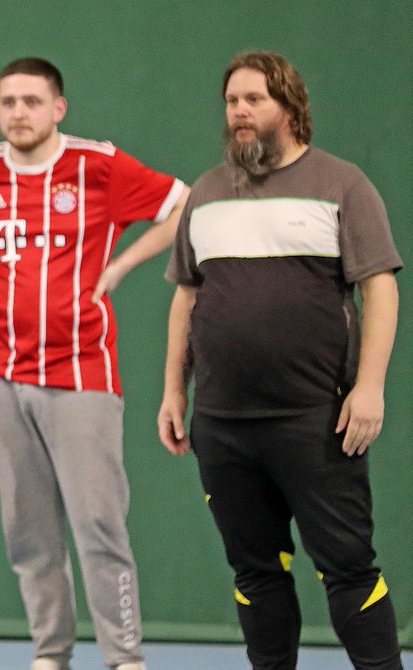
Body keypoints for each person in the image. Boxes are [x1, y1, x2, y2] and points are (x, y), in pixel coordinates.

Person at [0, 57, 188, 670]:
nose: (19, 112)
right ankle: (50, 652)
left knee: (99, 524)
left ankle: (124, 657)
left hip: (80, 374)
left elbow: (183, 206)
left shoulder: (97, 167)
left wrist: (120, 265)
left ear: (57, 108)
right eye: (8, 102)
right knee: (27, 530)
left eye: (32, 101)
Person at [158, 51, 403, 669]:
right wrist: (172, 393)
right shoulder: (207, 194)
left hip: (316, 422)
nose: (239, 112)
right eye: (231, 101)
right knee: (256, 571)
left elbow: (380, 289)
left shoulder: (343, 185)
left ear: (290, 107)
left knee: (347, 569)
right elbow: (186, 299)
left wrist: (369, 387)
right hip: (223, 425)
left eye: (253, 100)